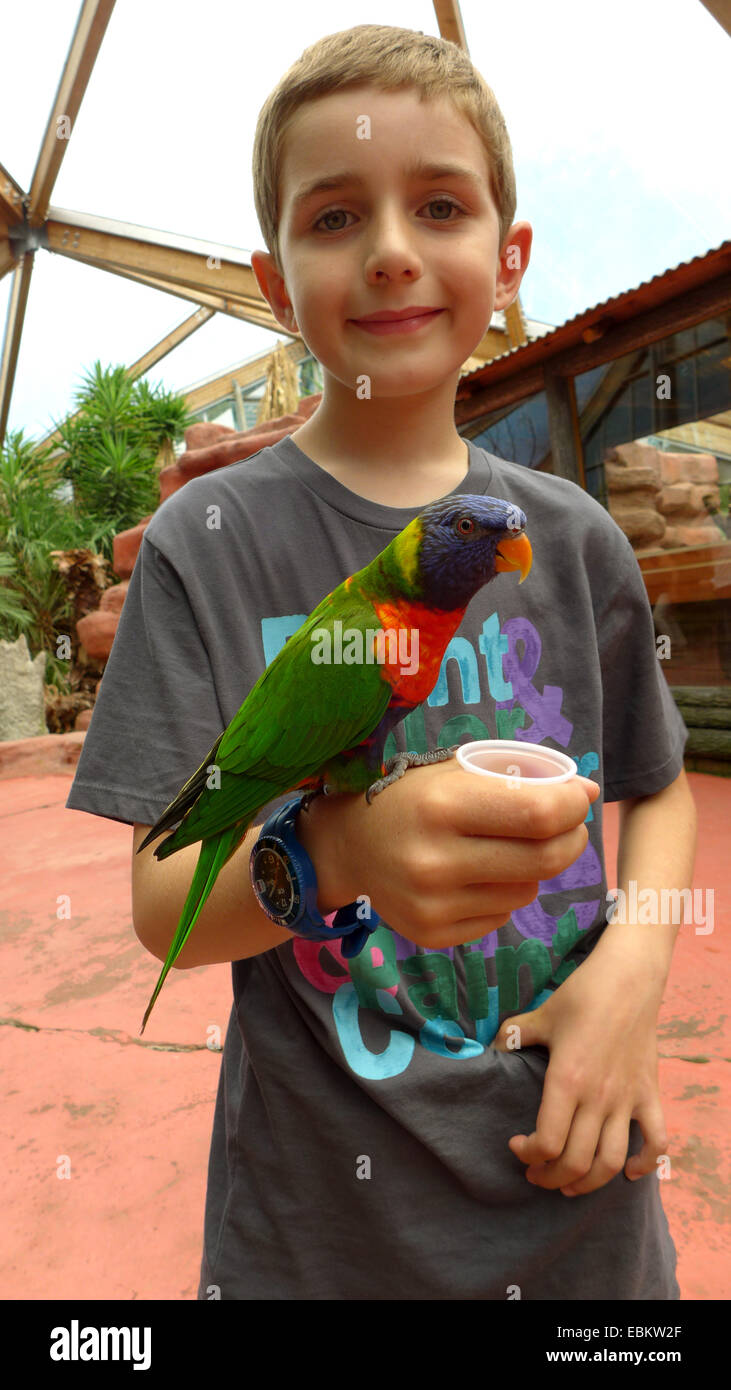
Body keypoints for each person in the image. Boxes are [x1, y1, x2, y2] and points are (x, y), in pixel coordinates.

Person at [66, 24, 696, 1300]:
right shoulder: (214, 541)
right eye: (337, 214)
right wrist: (340, 851)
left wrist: (632, 970)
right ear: (272, 275)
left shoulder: (571, 538)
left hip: (577, 1216)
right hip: (315, 1240)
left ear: (507, 260)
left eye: (441, 205)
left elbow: (658, 783)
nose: (394, 248)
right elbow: (160, 897)